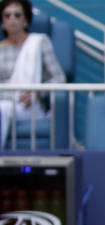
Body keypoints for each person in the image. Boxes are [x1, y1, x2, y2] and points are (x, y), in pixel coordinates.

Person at [0, 0, 66, 149]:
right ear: (2, 21)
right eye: (7, 15)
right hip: (5, 100)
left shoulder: (38, 42)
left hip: (30, 106)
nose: (12, 19)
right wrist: (12, 96)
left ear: (26, 20)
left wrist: (37, 93)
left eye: (17, 15)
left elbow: (59, 78)